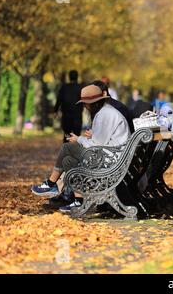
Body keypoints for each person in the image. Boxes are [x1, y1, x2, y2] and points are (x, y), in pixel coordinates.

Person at [31, 84, 131, 213]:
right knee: (68, 160)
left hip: (111, 161)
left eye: (86, 104)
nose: (85, 107)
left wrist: (79, 139)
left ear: (93, 103)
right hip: (111, 156)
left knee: (67, 147)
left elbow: (96, 145)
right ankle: (78, 201)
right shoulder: (105, 112)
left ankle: (51, 184)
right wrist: (89, 137)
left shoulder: (105, 115)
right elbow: (101, 140)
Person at [54, 70, 83, 142]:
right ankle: (75, 151)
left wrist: (55, 110)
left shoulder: (64, 87)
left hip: (66, 115)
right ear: (77, 77)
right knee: (77, 136)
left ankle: (66, 150)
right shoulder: (80, 88)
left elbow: (59, 99)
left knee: (66, 134)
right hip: (77, 115)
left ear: (69, 77)